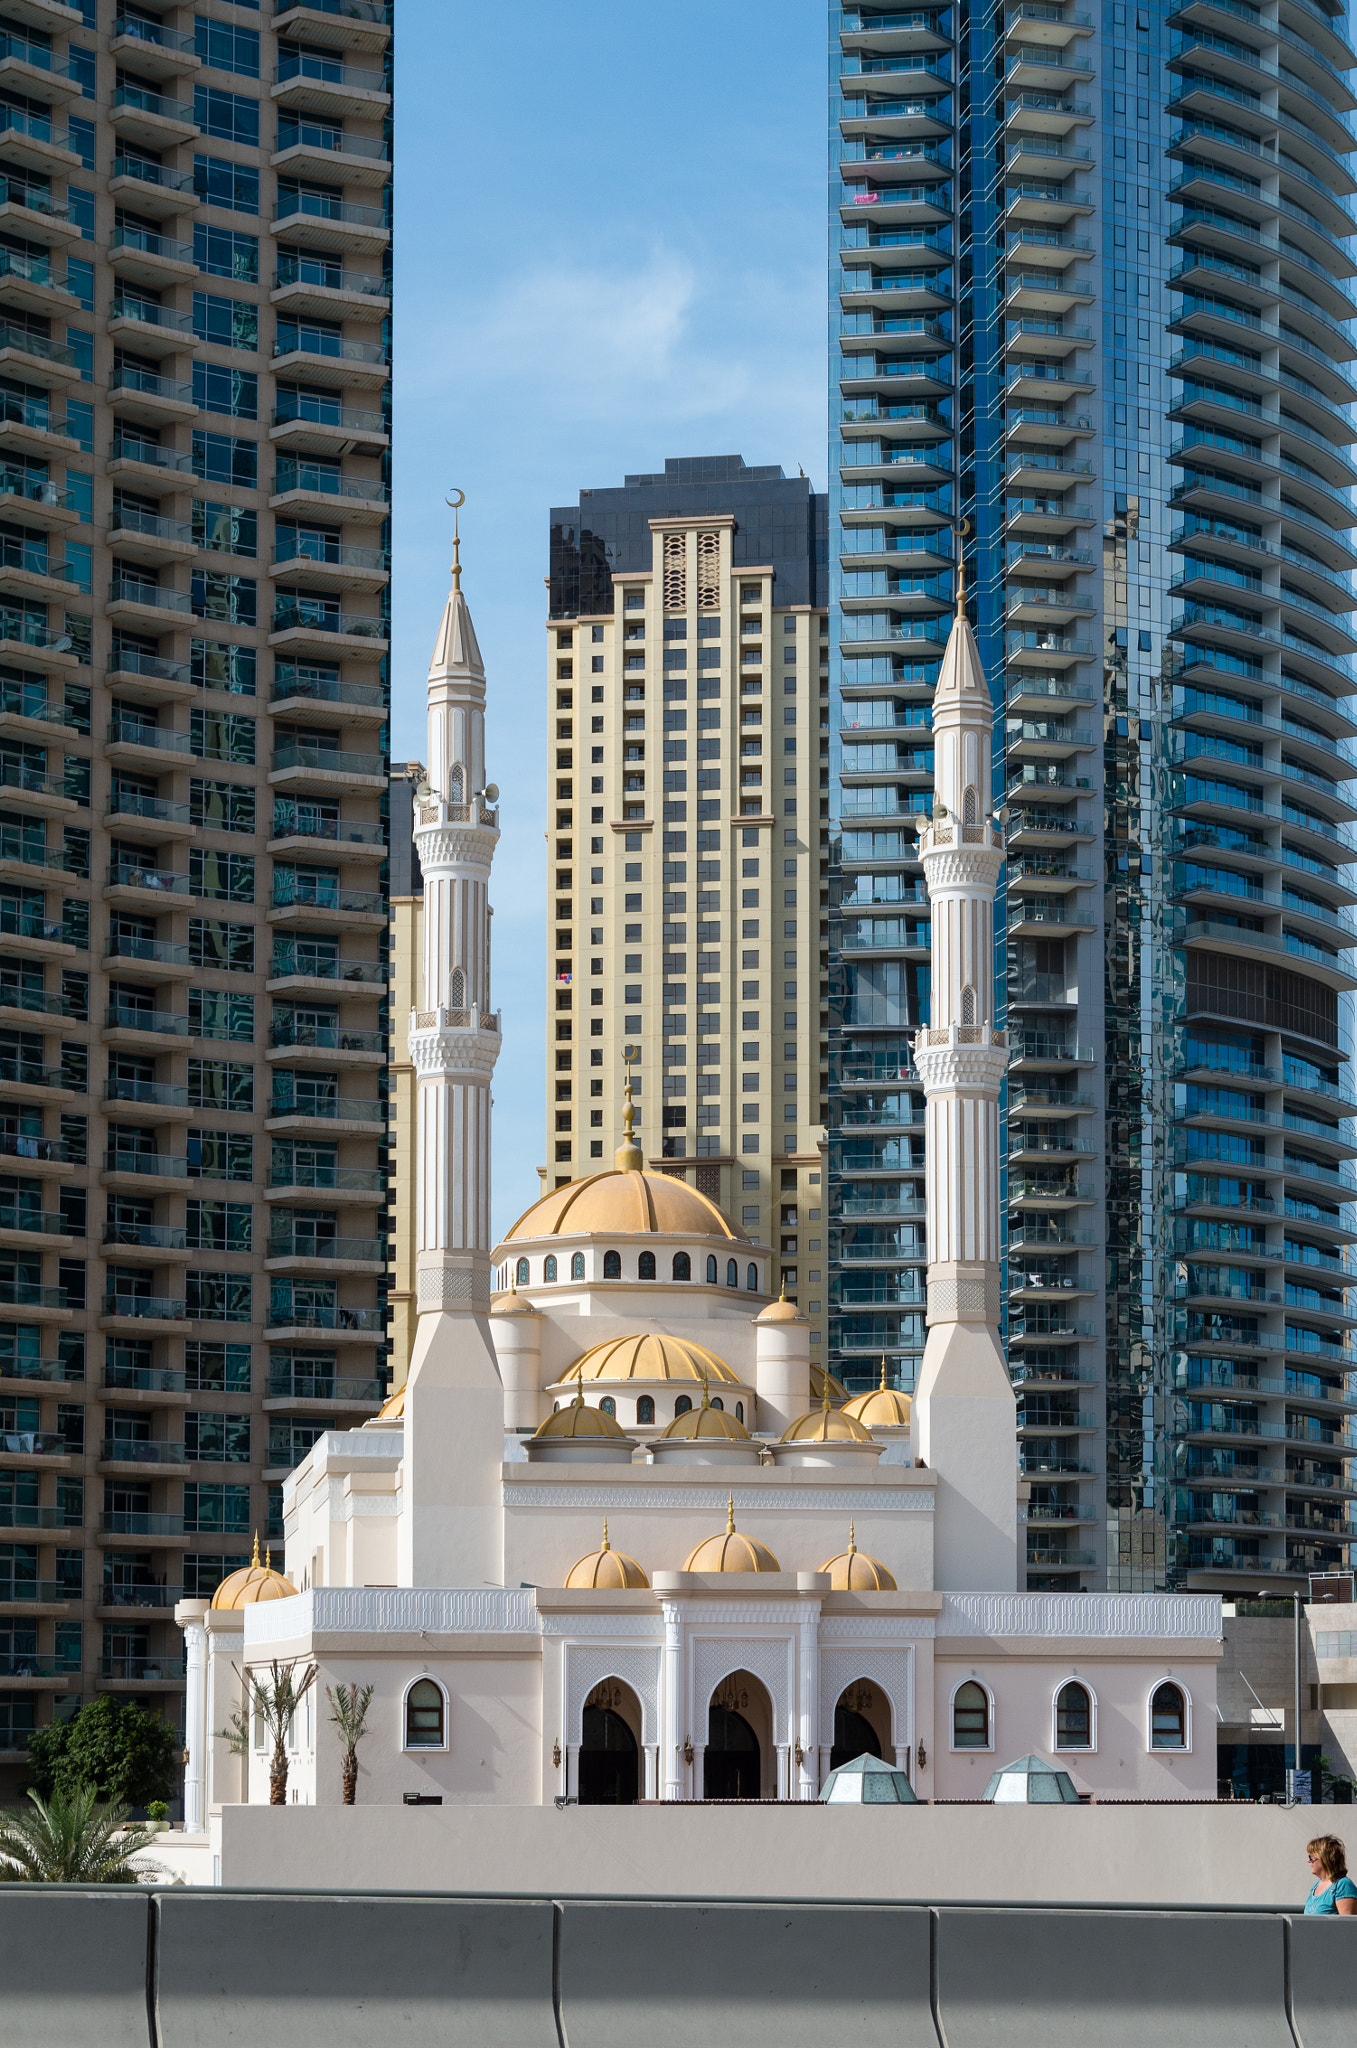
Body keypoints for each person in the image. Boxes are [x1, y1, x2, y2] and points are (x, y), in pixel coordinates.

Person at [1304, 1836, 1357, 1914]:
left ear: (1324, 1859)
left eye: (1311, 1857)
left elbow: (1348, 1924)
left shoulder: (1343, 1885)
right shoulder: (1316, 1885)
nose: (1308, 1861)